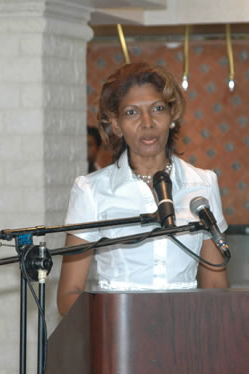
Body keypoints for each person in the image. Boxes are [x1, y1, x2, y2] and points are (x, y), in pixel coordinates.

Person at [57, 62, 228, 316]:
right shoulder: (91, 190)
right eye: (132, 113)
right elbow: (68, 294)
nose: (147, 123)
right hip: (118, 339)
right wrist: (110, 328)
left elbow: (215, 284)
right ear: (116, 125)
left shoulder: (202, 184)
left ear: (172, 116)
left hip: (186, 336)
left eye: (158, 109)